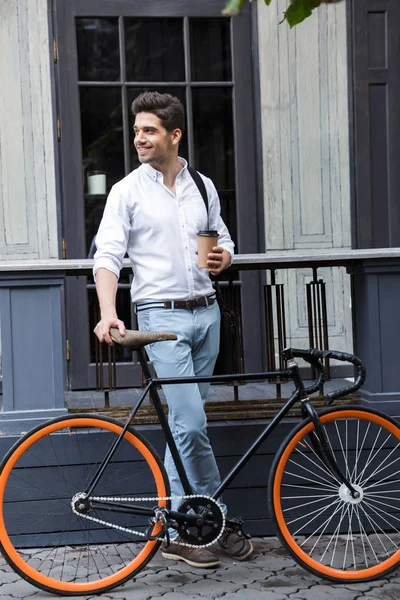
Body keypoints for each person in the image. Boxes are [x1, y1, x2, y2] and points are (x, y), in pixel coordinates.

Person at [93, 91, 253, 568]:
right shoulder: (127, 191)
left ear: (174, 135)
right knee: (192, 424)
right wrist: (107, 312)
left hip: (206, 313)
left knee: (186, 427)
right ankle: (214, 521)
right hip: (160, 319)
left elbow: (221, 238)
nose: (139, 138)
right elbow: (107, 256)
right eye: (137, 130)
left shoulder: (202, 186)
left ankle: (179, 525)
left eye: (149, 130)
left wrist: (227, 256)